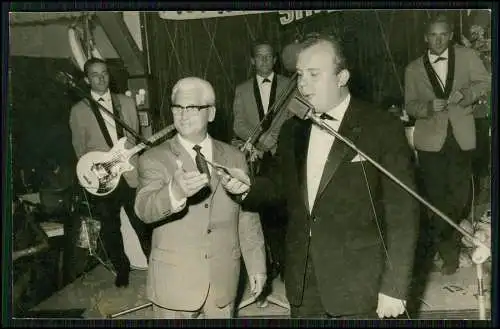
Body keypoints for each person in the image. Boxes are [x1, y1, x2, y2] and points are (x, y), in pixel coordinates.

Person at [221, 33, 420, 319]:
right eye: (300, 75)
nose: (302, 84)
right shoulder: (293, 130)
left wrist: (396, 286)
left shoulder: (381, 127)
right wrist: (246, 187)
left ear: (342, 77)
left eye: (314, 74)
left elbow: (403, 211)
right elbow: (280, 187)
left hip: (360, 285)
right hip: (303, 283)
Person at [134, 77, 267, 319]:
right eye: (178, 108)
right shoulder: (153, 158)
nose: (183, 115)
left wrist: (257, 264)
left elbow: (247, 215)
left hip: (223, 279)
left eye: (193, 107)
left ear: (212, 113)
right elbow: (143, 208)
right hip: (174, 282)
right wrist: (174, 192)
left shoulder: (235, 157)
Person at [404, 14, 491, 275]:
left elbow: (485, 82)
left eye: (443, 34)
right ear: (425, 38)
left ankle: (440, 240)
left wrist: (465, 95)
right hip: (430, 142)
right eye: (433, 35)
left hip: (461, 137)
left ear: (451, 36)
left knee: (461, 198)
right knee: (437, 198)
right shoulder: (413, 69)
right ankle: (448, 253)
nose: (438, 39)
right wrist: (429, 107)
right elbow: (410, 106)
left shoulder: (467, 57)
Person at [69, 57, 153, 287]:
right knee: (109, 227)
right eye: (95, 74)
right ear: (87, 79)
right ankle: (122, 269)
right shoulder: (79, 111)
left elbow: (134, 135)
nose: (101, 78)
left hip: (129, 173)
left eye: (104, 73)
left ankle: (155, 266)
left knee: (142, 221)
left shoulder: (125, 103)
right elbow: (80, 150)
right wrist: (99, 170)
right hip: (103, 178)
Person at [232, 40, 291, 304]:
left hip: (282, 156)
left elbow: (295, 118)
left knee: (283, 214)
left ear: (275, 59)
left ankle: (285, 266)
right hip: (255, 159)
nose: (265, 61)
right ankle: (264, 271)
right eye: (260, 57)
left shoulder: (290, 85)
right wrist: (258, 142)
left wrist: (272, 140)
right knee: (258, 218)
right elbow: (239, 124)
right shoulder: (242, 89)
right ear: (253, 61)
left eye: (269, 56)